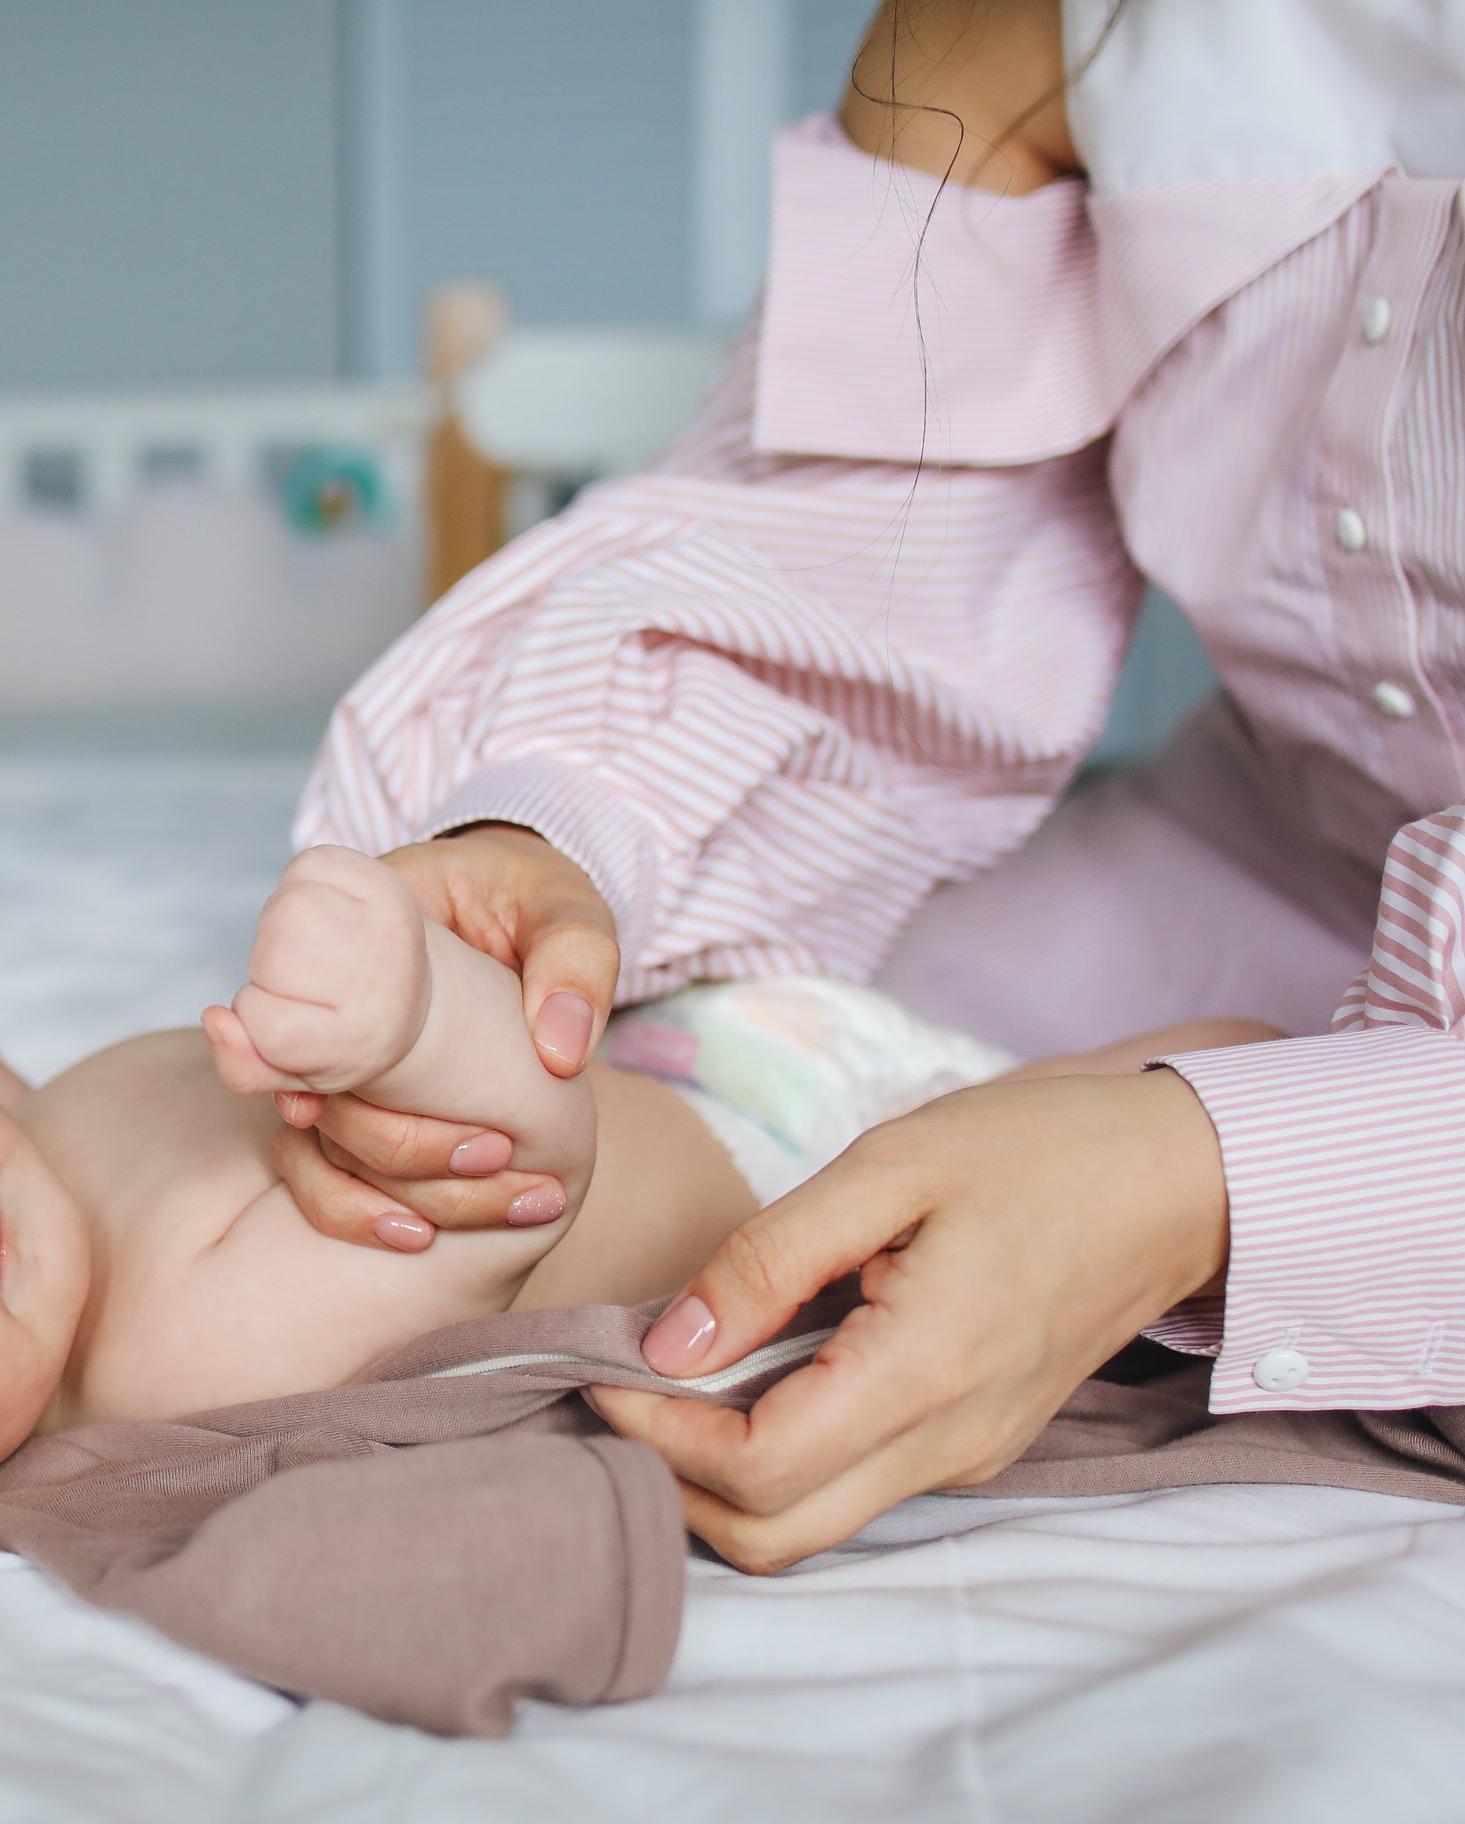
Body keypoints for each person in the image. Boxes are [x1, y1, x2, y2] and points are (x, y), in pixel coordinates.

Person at [276, 0, 1465, 1571]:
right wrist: (556, 831)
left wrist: (1209, 1184)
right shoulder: (1039, 36)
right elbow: (848, 574)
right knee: (775, 1080)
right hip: (1276, 851)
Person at [0, 857, 1246, 1522]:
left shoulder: (8, 1213)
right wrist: (420, 1018)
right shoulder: (194, 1361)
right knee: (1209, 1089)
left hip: (681, 1015)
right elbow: (506, 1184)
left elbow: (45, 1145)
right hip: (820, 1147)